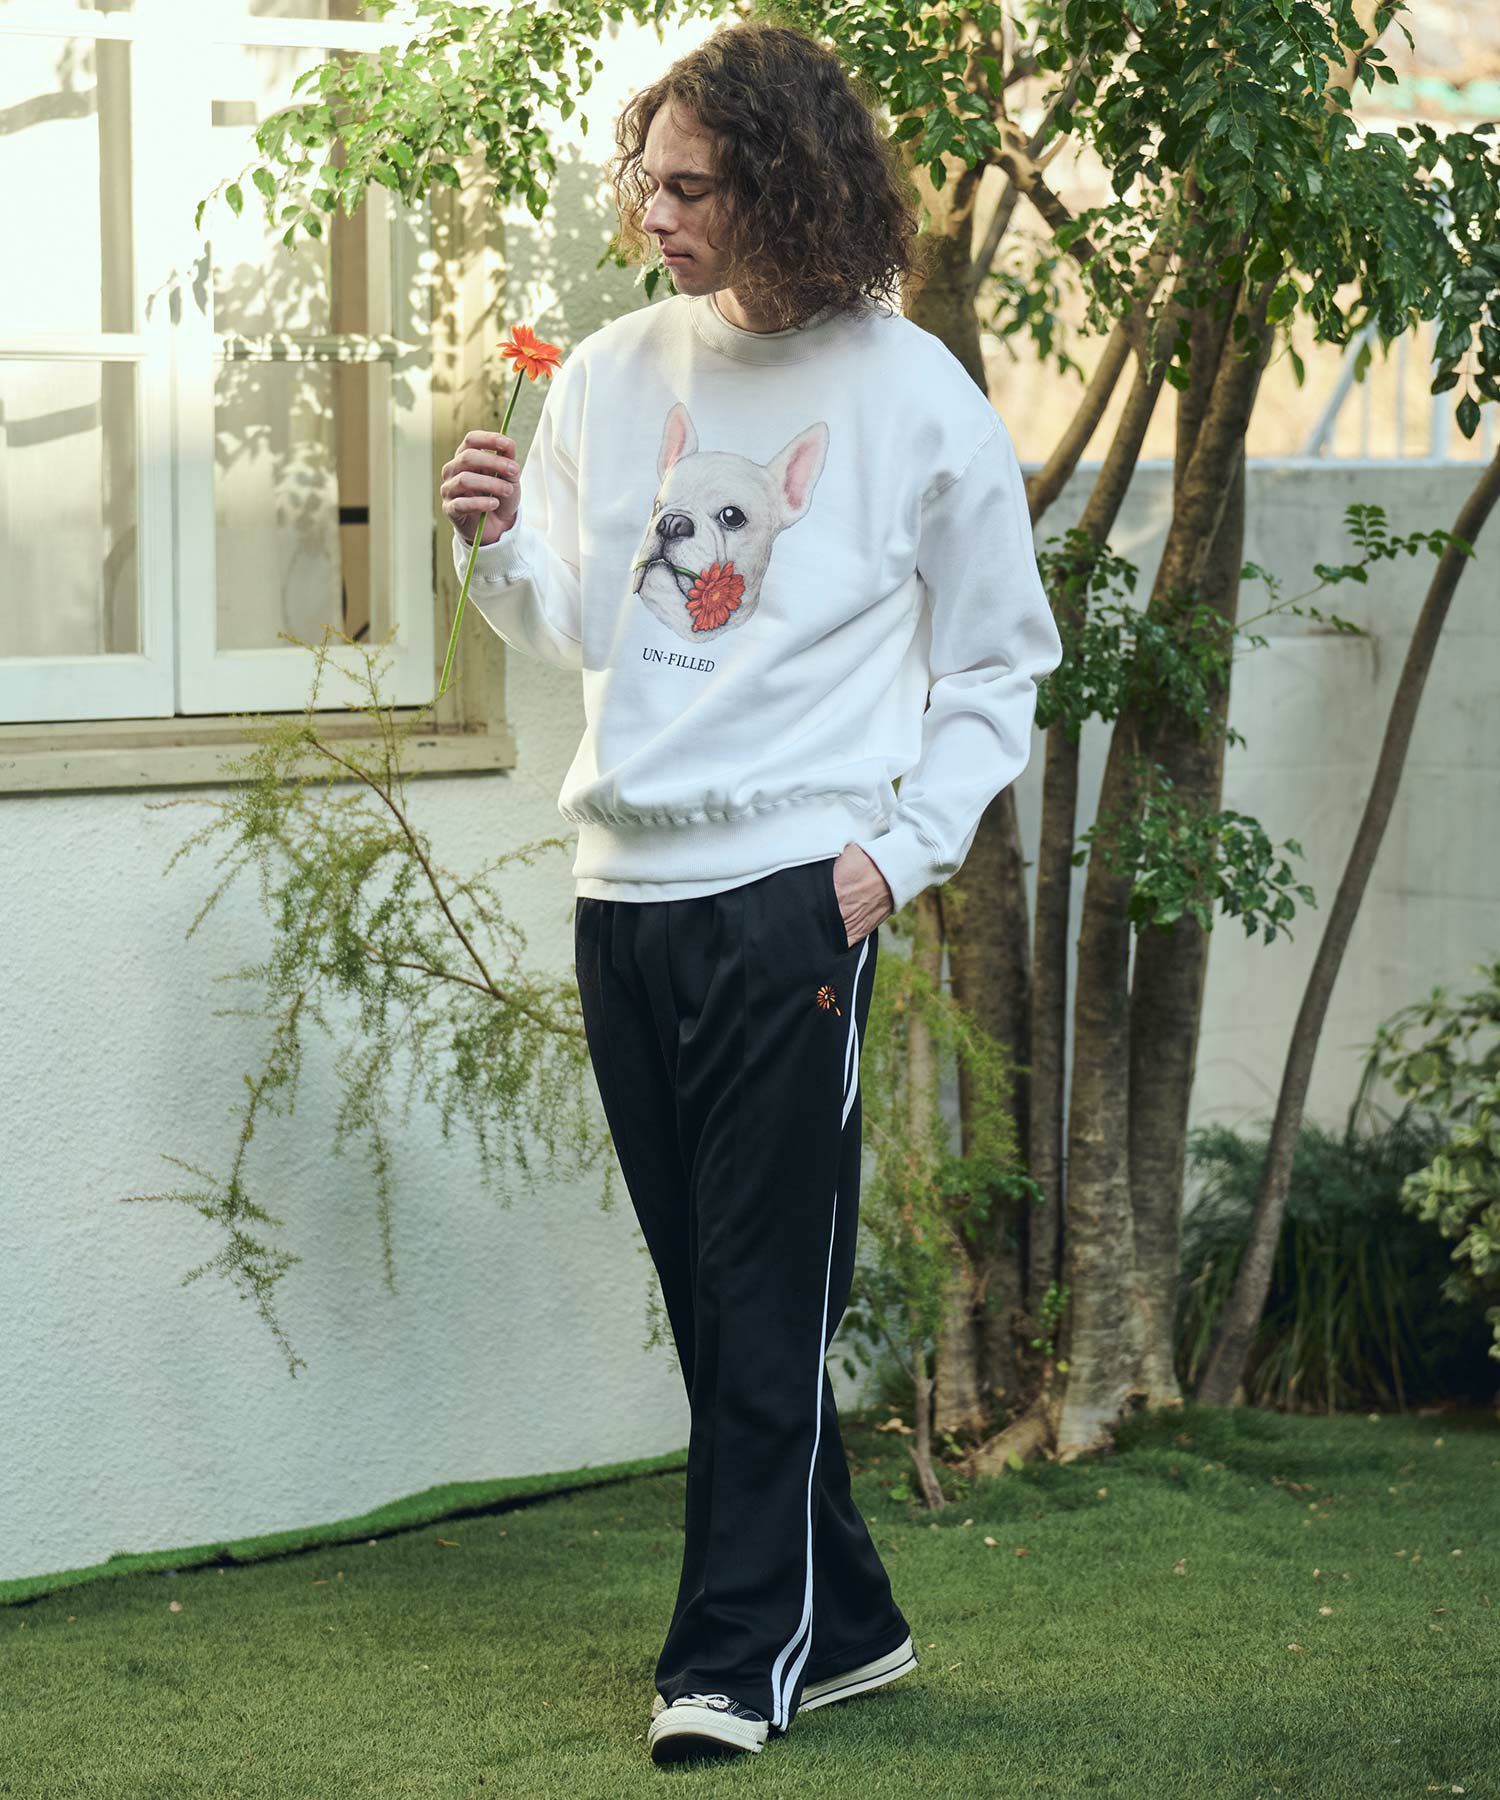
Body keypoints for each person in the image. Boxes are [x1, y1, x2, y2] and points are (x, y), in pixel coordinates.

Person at [438, 19, 1064, 1768]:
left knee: (766, 1287)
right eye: (646, 179)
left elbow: (999, 666)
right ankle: (848, 1626)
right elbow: (575, 623)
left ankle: (731, 1662)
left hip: (796, 894)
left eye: (691, 187)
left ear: (787, 189)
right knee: (714, 1297)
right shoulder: (611, 373)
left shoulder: (912, 395)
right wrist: (495, 543)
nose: (653, 214)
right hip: (623, 894)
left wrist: (896, 854)